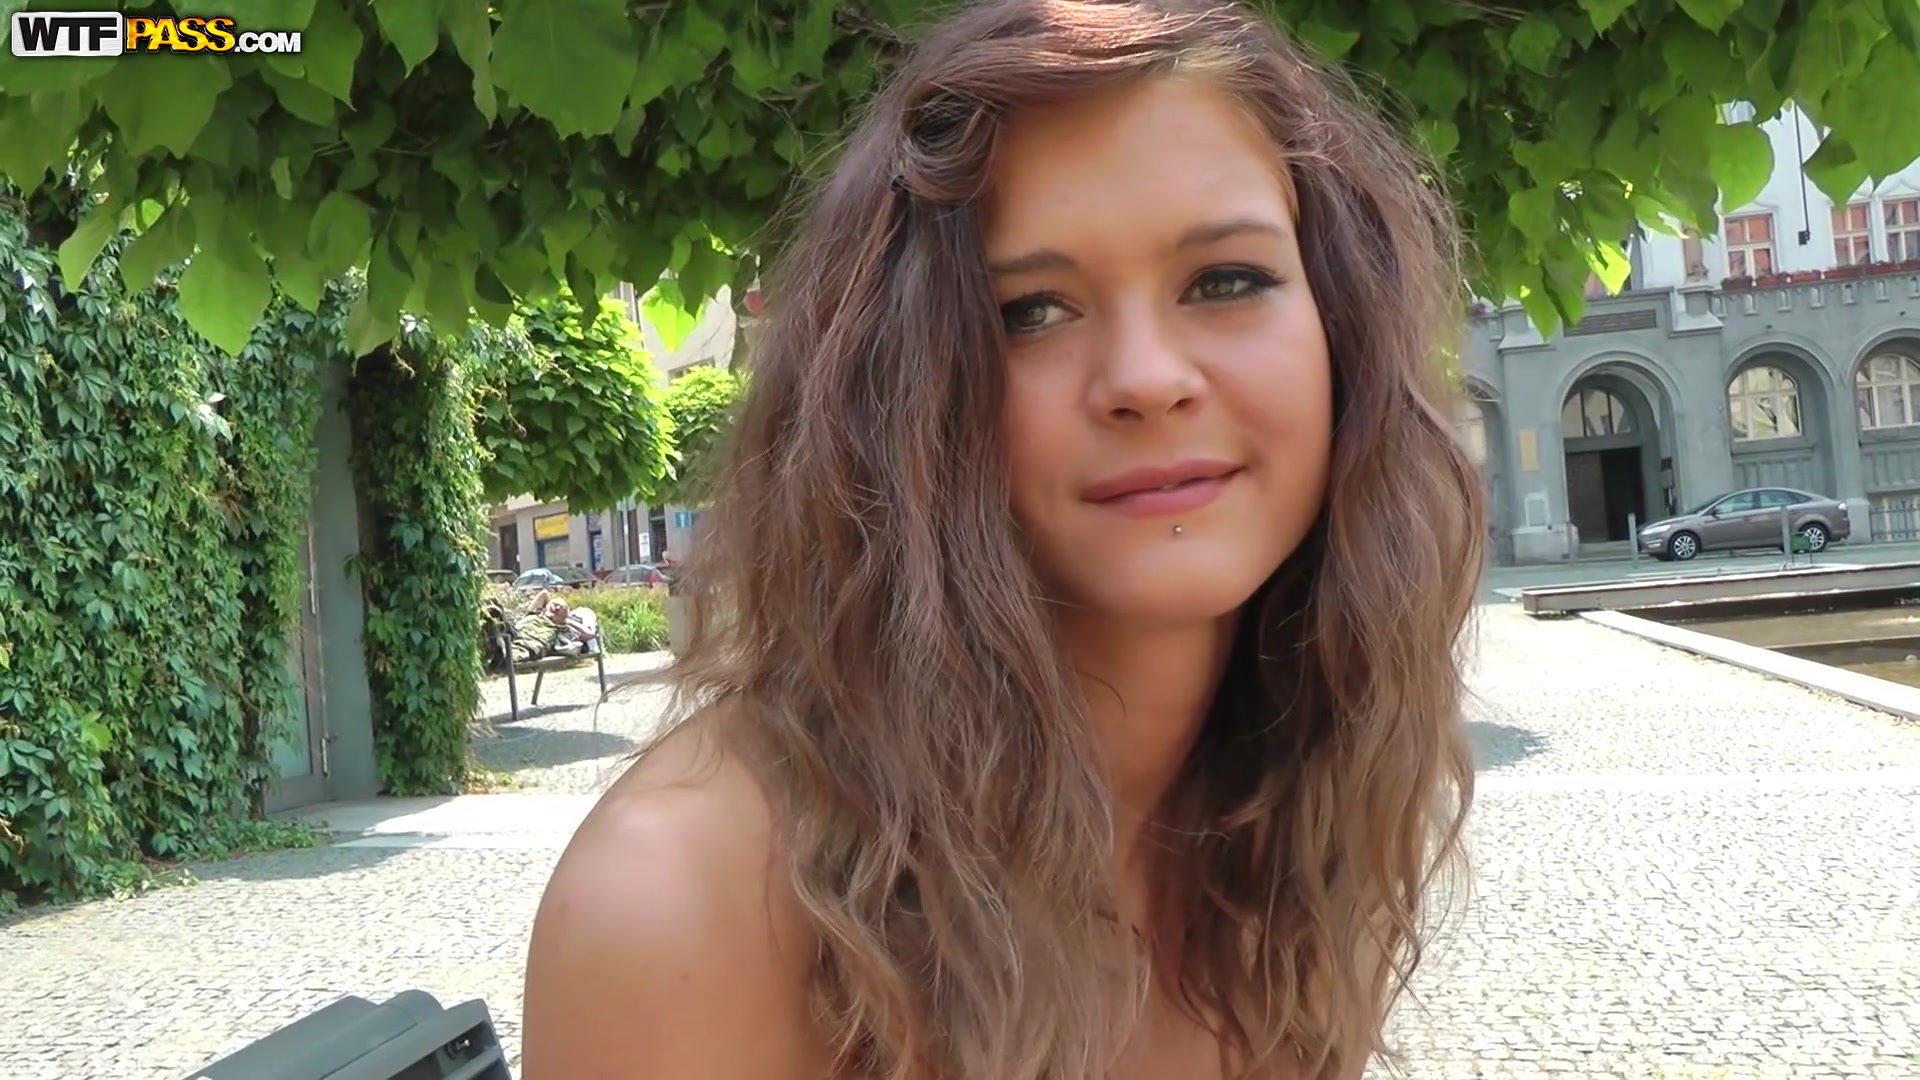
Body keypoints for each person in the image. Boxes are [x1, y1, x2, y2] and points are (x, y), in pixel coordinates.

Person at [521, 0, 1486, 1076]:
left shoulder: (1310, 799)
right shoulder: (683, 904)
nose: (1147, 379)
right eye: (1029, 311)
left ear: (1343, 330)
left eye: (1225, 281)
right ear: (899, 393)